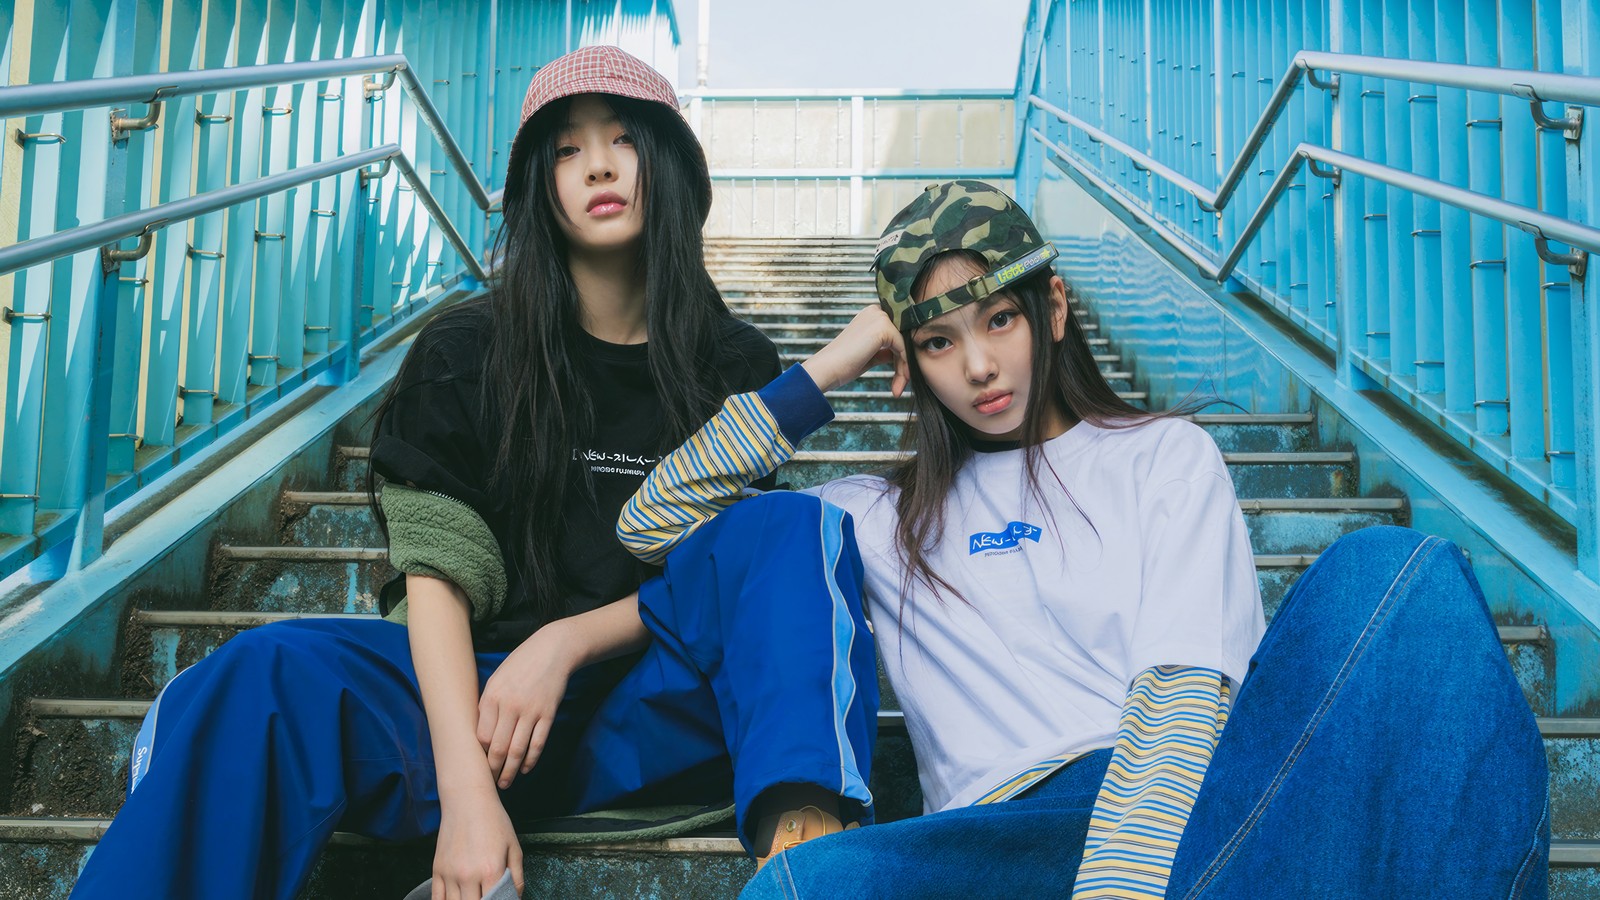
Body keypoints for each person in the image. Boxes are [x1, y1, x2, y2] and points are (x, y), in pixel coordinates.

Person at [70, 46, 877, 900]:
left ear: (668, 164)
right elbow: (438, 578)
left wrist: (564, 643)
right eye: (565, 150)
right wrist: (467, 796)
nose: (597, 163)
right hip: (479, 712)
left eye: (622, 140)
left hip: (654, 704)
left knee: (792, 529)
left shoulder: (732, 361)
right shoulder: (466, 351)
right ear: (540, 186)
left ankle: (808, 859)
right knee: (265, 673)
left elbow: (737, 579)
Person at [618, 180, 1552, 898]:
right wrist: (842, 353)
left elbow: (1183, 696)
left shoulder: (1161, 457)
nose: (979, 364)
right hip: (997, 843)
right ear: (910, 364)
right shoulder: (871, 515)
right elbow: (654, 520)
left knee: (1400, 576)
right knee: (805, 884)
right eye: (937, 342)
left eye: (999, 320)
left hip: (1195, 814)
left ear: (1052, 312)